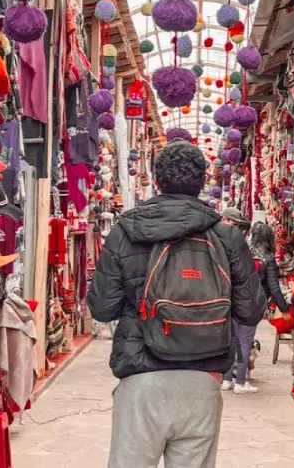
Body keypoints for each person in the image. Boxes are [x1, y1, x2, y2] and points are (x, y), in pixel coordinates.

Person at [89, 141, 266, 468]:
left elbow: (102, 308)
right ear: (202, 183)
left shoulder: (126, 231)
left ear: (157, 179)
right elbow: (251, 310)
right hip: (203, 378)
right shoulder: (226, 237)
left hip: (140, 374)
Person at [223, 221, 291, 394]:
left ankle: (227, 379)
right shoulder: (268, 259)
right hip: (252, 304)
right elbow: (274, 287)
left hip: (235, 300)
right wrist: (284, 309)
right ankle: (240, 381)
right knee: (245, 341)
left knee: (233, 340)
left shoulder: (244, 253)